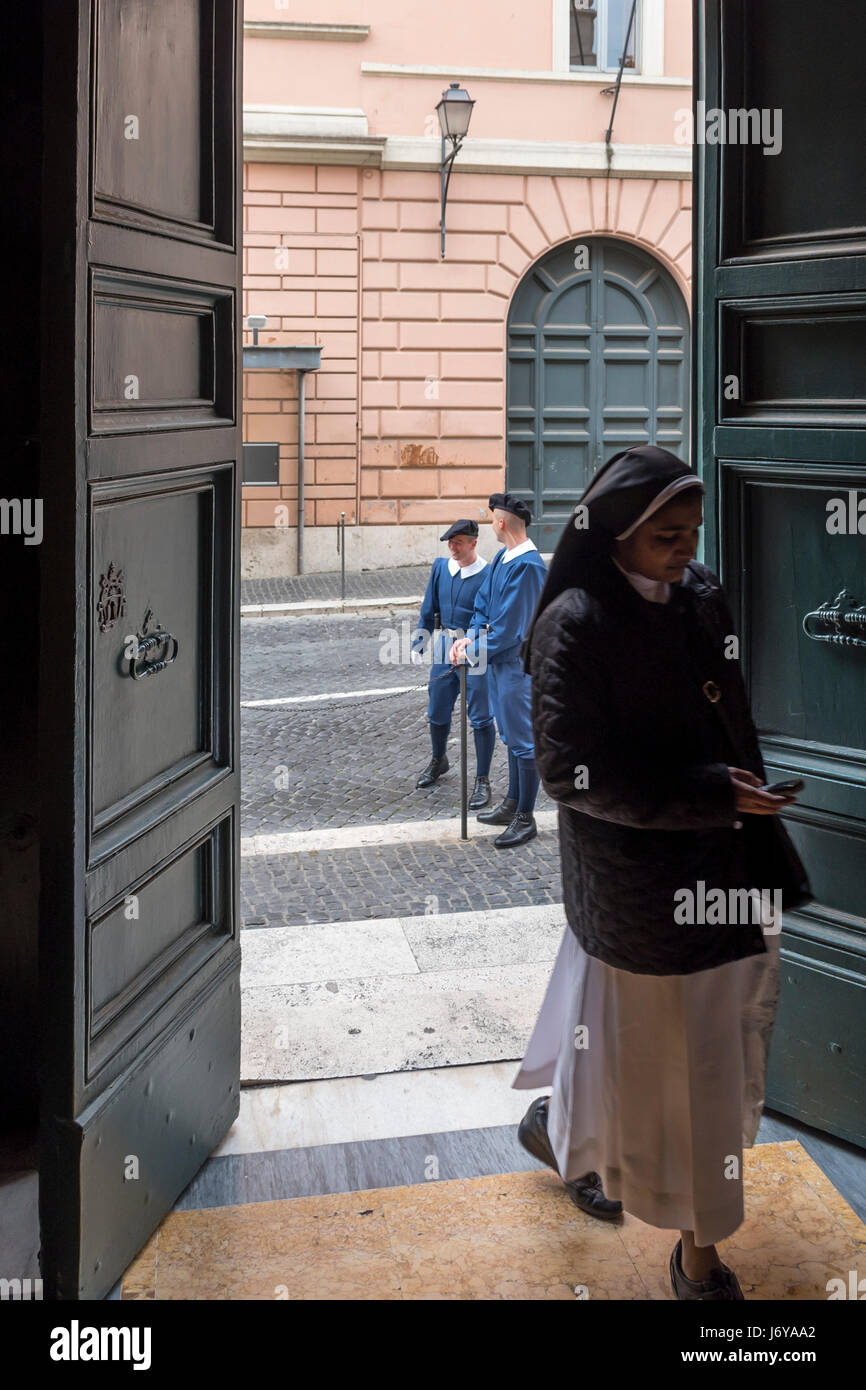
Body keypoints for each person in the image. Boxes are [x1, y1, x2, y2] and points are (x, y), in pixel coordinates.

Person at [513, 445, 811, 1300]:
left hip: (729, 864)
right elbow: (572, 775)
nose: (686, 552)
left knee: (701, 1056)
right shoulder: (574, 620)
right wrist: (714, 796)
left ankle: (569, 1139)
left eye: (693, 533)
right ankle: (700, 1256)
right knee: (676, 1068)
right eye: (667, 538)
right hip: (639, 891)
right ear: (616, 537)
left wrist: (740, 795)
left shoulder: (702, 594)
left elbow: (729, 722)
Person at [451, 493, 547, 848]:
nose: (492, 523)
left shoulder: (528, 566)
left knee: (523, 741)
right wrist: (468, 640)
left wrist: (472, 648)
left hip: (518, 667)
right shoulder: (504, 559)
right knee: (510, 734)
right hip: (499, 663)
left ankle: (526, 817)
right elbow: (482, 609)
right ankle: (511, 803)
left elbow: (509, 631)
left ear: (503, 522)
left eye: (493, 518)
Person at [412, 519, 496, 809]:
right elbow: (429, 607)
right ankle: (439, 759)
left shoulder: (489, 573)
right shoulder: (440, 568)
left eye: (459, 542)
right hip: (445, 646)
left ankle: (482, 779)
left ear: (474, 543)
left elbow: (492, 618)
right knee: (436, 710)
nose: (453, 547)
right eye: (450, 542)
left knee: (482, 716)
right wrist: (420, 642)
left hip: (477, 649)